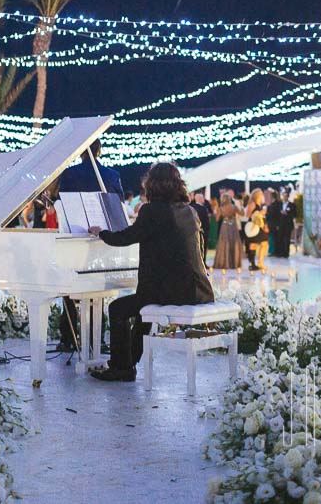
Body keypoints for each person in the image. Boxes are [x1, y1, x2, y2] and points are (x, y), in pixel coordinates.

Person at [87, 162, 214, 382]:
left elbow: (125, 237)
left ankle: (120, 368)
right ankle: (129, 364)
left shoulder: (152, 211)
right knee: (141, 307)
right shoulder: (190, 211)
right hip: (198, 290)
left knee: (118, 308)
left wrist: (102, 233)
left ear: (152, 184)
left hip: (172, 291)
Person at [55, 138, 124, 347]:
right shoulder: (112, 175)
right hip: (103, 239)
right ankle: (96, 338)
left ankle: (68, 338)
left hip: (75, 237)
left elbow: (64, 202)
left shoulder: (69, 174)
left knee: (68, 285)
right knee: (97, 285)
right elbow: (118, 205)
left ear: (80, 152)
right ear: (99, 151)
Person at [212, 193, 243, 272]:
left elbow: (217, 219)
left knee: (224, 243)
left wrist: (216, 212)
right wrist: (241, 205)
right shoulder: (234, 207)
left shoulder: (221, 208)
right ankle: (234, 263)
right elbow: (242, 213)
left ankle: (224, 263)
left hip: (225, 226)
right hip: (233, 226)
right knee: (233, 242)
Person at [243, 189, 269, 270]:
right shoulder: (252, 204)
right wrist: (259, 213)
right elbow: (248, 215)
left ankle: (259, 262)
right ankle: (252, 263)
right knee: (253, 244)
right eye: (261, 195)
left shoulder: (260, 204)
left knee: (264, 243)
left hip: (259, 226)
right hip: (253, 227)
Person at [266, 188, 295, 259]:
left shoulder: (292, 205)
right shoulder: (279, 204)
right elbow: (276, 214)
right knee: (280, 239)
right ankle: (280, 253)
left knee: (287, 239)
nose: (284, 197)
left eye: (286, 196)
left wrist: (287, 213)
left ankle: (286, 253)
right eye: (283, 196)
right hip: (280, 224)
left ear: (288, 196)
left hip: (288, 224)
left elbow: (294, 214)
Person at [188, 191, 211, 263]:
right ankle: (203, 262)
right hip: (203, 230)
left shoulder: (191, 207)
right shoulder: (203, 208)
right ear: (200, 199)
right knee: (203, 247)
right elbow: (206, 221)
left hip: (193, 231)